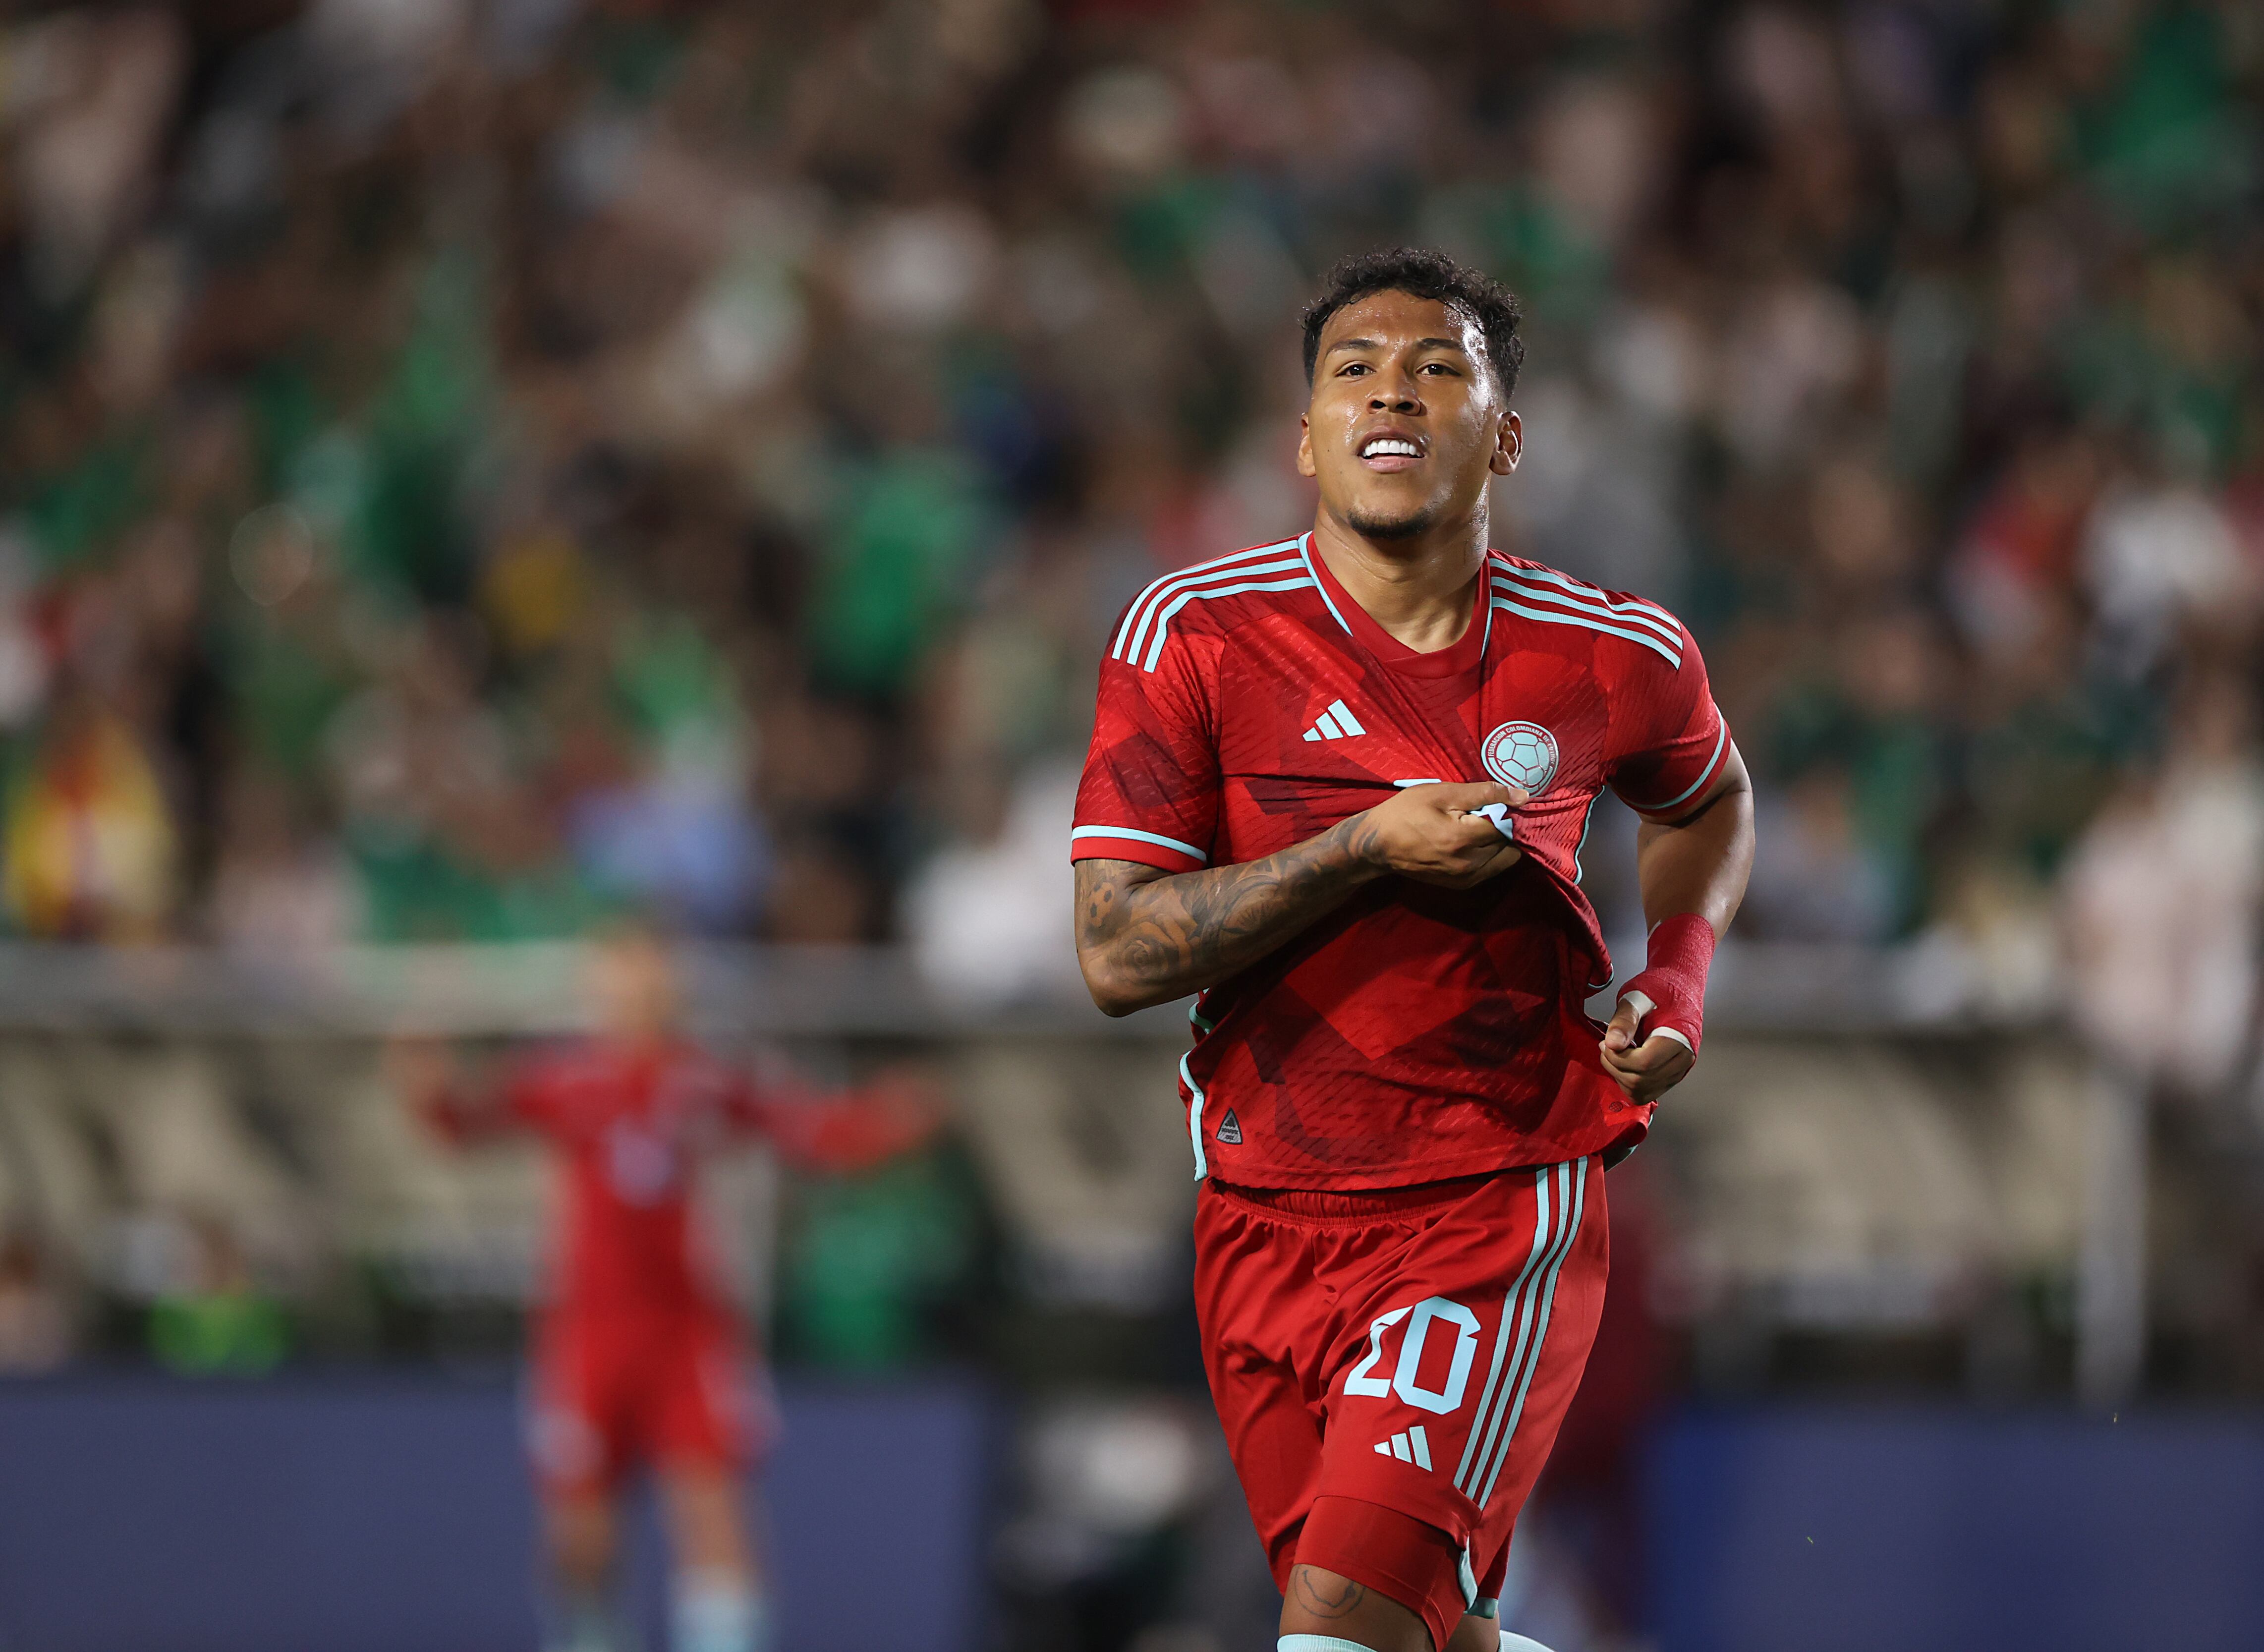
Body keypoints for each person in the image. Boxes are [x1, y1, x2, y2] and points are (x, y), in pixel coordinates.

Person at [1070, 248, 1754, 1652]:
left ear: (1503, 433)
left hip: (1493, 1203)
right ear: (1305, 434)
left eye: (1440, 365)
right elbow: (1117, 953)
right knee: (1425, 1636)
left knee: (1337, 1634)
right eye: (1353, 370)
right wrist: (1364, 847)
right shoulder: (1193, 636)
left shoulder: (1612, 653)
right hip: (1259, 1213)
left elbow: (1710, 800)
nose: (1394, 388)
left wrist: (1678, 973)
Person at [391, 925, 936, 1652]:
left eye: (654, 979)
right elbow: (463, 1125)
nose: (641, 995)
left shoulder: (711, 1077)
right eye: (622, 980)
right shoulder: (562, 1078)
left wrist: (892, 1119)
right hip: (588, 1330)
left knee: (714, 1512)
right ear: (597, 991)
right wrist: (425, 1084)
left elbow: (816, 1131)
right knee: (581, 1529)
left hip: (687, 1328)